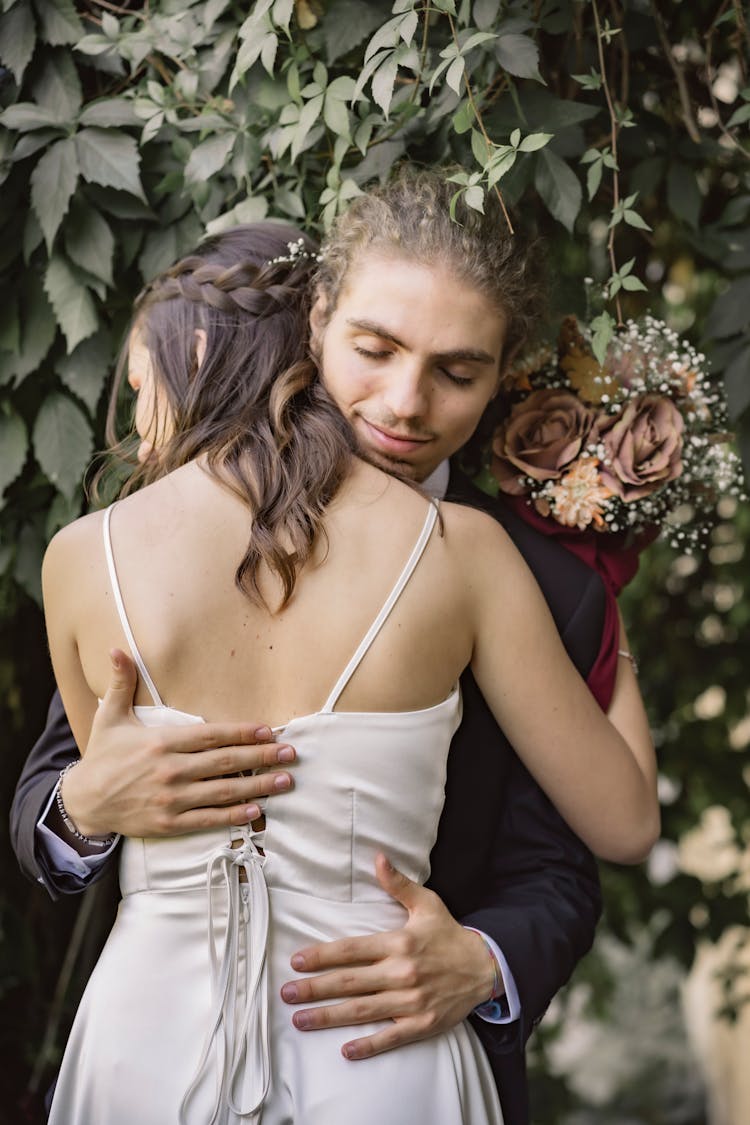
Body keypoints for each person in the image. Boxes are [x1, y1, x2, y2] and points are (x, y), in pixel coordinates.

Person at [11, 173, 654, 1123]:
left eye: (457, 371)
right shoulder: (468, 563)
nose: (404, 402)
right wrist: (84, 809)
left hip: (372, 1028)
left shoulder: (548, 582)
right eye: (374, 349)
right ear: (317, 320)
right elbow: (65, 775)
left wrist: (483, 961)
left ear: (503, 369)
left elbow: (563, 868)